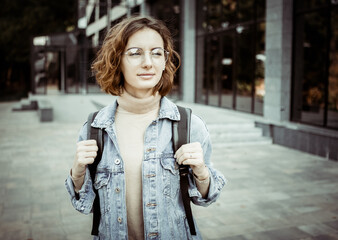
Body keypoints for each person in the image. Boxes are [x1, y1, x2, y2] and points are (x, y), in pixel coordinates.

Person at [65, 15, 226, 240]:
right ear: (116, 60)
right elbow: (84, 205)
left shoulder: (188, 124)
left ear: (164, 60)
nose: (148, 62)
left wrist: (201, 171)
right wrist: (77, 172)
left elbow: (206, 197)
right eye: (135, 53)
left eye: (157, 52)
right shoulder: (95, 128)